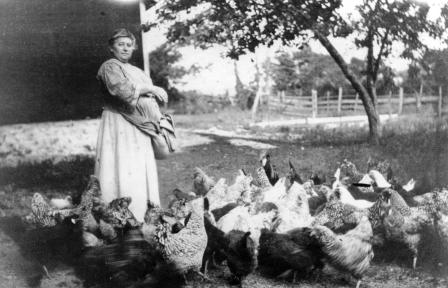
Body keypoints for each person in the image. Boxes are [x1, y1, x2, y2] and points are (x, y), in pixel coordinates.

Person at [95, 28, 168, 222]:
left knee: (138, 166)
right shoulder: (109, 67)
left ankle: (143, 214)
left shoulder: (137, 71)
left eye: (129, 45)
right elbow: (124, 92)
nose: (125, 48)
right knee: (119, 164)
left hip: (140, 124)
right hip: (118, 122)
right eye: (120, 45)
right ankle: (116, 215)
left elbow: (150, 100)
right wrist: (150, 88)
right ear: (112, 48)